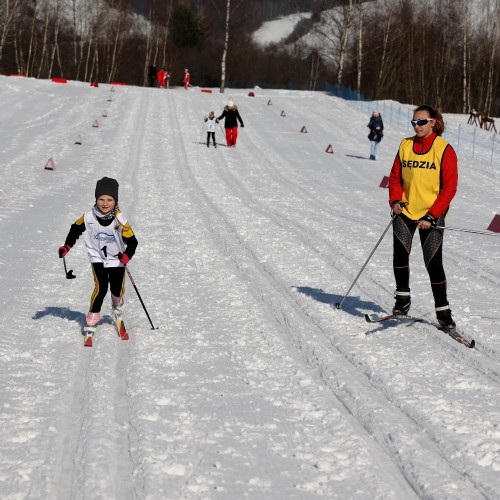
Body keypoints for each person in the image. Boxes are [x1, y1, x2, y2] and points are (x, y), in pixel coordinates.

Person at [388, 105, 458, 331]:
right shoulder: (406, 145)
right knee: (400, 256)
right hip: (406, 210)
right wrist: (395, 200)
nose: (416, 126)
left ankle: (443, 312)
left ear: (432, 123)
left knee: (433, 264)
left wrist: (433, 214)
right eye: (413, 122)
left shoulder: (444, 149)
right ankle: (402, 299)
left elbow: (449, 188)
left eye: (421, 122)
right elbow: (395, 177)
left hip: (431, 214)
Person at [58, 177, 138, 346]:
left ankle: (117, 307)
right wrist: (67, 246)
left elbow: (133, 242)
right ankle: (92, 317)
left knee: (116, 289)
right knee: (101, 287)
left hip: (116, 259)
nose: (104, 203)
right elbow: (75, 228)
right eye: (101, 199)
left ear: (115, 200)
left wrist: (126, 256)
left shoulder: (120, 221)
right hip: (97, 256)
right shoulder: (88, 216)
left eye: (109, 200)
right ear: (96, 199)